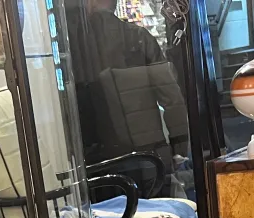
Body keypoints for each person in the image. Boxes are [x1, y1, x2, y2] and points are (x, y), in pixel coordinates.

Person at [64, 0, 190, 172]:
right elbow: (172, 99)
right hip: (148, 152)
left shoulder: (72, 45)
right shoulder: (139, 38)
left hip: (98, 157)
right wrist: (179, 147)